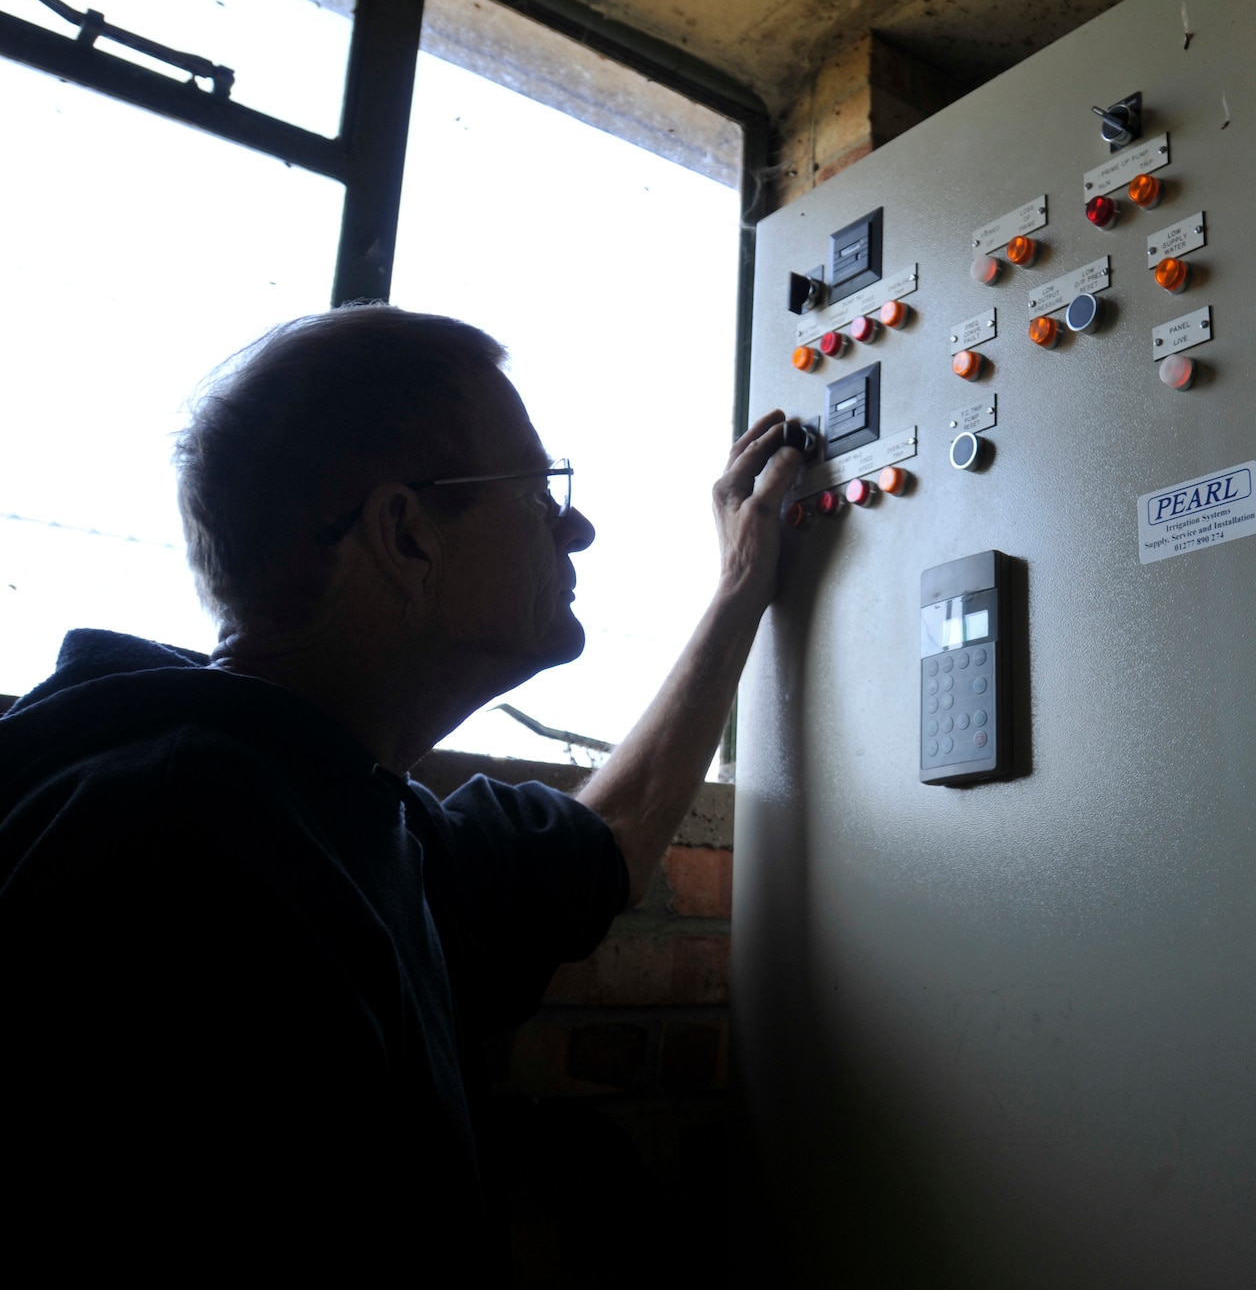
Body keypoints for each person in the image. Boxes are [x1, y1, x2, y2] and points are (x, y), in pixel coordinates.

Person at [0, 305, 805, 1281]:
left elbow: (600, 847)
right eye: (540, 488)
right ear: (405, 533)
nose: (578, 525)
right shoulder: (170, 855)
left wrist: (739, 589)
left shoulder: (346, 812)